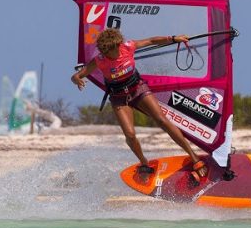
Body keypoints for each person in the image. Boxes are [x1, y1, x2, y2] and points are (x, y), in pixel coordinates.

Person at [71, 28, 209, 183]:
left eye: (117, 47)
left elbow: (151, 40)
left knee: (162, 120)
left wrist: (173, 38)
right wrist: (77, 79)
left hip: (138, 89)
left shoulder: (127, 47)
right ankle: (144, 163)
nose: (116, 51)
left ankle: (194, 157)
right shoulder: (100, 60)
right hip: (119, 98)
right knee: (129, 134)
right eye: (112, 50)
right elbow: (77, 75)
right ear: (105, 50)